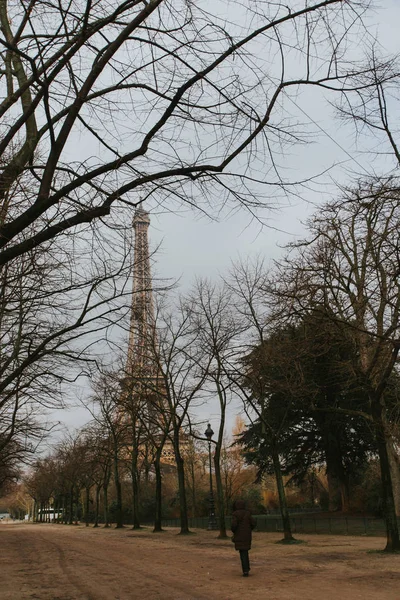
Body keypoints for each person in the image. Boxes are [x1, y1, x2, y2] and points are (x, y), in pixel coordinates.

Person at [231, 499, 256, 577]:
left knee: (242, 553)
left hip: (239, 535)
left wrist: (234, 531)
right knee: (245, 552)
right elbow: (253, 523)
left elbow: (234, 525)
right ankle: (246, 569)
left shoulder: (235, 514)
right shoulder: (248, 514)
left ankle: (245, 570)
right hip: (247, 535)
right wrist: (249, 529)